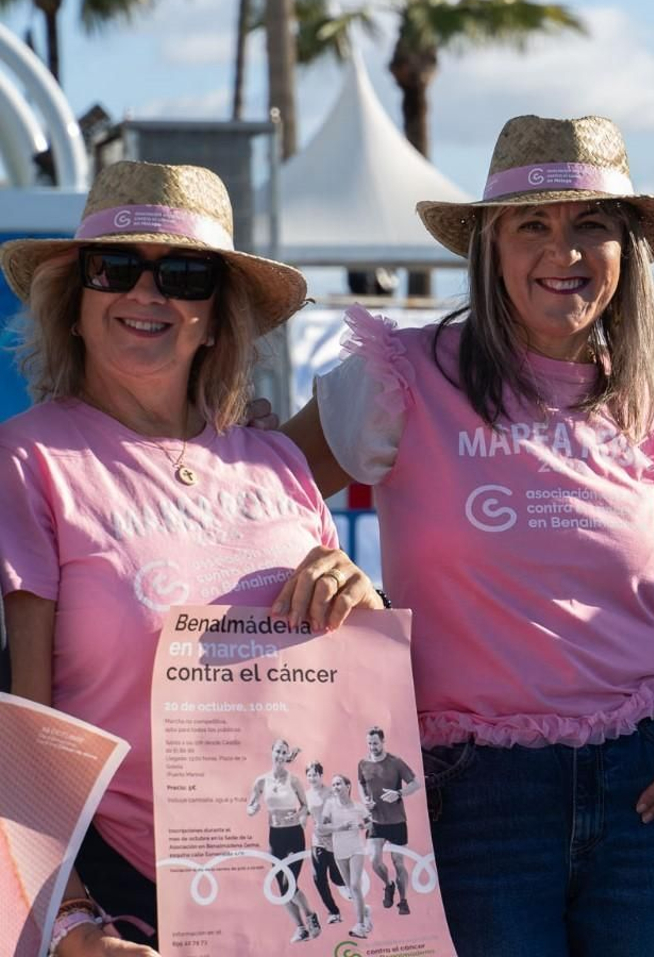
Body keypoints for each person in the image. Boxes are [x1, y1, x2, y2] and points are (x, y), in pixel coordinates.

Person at [281, 115, 654, 956]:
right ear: (491, 248)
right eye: (534, 225)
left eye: (591, 224)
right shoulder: (404, 376)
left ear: (628, 251)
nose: (563, 252)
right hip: (472, 800)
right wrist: (332, 574)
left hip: (650, 790)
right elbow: (259, 496)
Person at [0, 161, 383, 957]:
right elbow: (20, 735)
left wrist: (360, 601)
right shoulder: (28, 462)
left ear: (216, 318)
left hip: (301, 894)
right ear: (75, 304)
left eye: (184, 274)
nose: (148, 294)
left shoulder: (279, 465)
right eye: (115, 269)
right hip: (127, 901)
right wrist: (69, 924)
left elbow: (345, 697)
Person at [245, 738, 319, 942]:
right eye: (277, 751)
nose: (279, 755)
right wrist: (252, 809)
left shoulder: (294, 780)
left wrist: (298, 816)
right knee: (282, 888)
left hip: (294, 834)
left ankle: (312, 916)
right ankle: (301, 928)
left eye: (283, 752)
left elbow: (305, 806)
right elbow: (250, 806)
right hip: (276, 836)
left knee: (291, 883)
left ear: (287, 756)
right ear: (272, 752)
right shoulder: (261, 781)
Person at [356, 725, 420, 916]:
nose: (372, 746)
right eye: (369, 743)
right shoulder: (362, 764)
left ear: (383, 742)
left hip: (397, 821)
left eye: (375, 743)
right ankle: (388, 885)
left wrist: (398, 793)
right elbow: (361, 784)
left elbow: (416, 783)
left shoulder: (396, 762)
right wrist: (364, 800)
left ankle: (403, 901)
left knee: (398, 863)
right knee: (375, 861)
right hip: (376, 821)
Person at [316, 775, 372, 939]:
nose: (335, 787)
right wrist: (339, 827)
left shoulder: (358, 806)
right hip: (339, 851)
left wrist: (362, 825)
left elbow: (370, 822)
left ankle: (360, 926)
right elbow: (321, 828)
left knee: (355, 886)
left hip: (356, 848)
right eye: (333, 784)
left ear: (348, 786)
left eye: (339, 783)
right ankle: (365, 910)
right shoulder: (330, 805)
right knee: (351, 890)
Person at [302, 761, 346, 925]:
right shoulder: (306, 795)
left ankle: (347, 884)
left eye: (315, 774)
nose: (312, 778)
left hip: (334, 840)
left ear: (321, 776)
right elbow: (305, 812)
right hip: (318, 840)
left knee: (336, 877)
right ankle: (334, 912)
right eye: (309, 775)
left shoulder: (330, 793)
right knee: (318, 878)